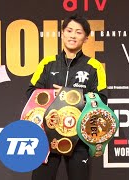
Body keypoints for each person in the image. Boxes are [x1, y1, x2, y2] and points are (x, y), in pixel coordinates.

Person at [27, 14, 107, 180]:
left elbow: (102, 99)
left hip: (80, 139)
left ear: (85, 38)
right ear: (62, 33)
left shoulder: (94, 66)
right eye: (69, 30)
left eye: (78, 32)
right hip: (47, 137)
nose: (72, 35)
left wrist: (70, 95)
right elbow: (31, 93)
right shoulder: (47, 63)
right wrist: (52, 95)